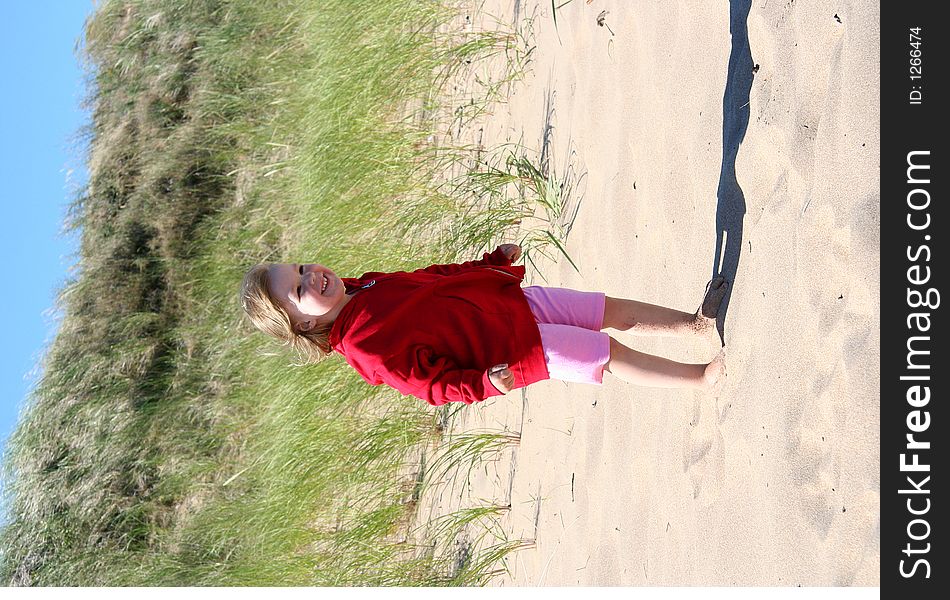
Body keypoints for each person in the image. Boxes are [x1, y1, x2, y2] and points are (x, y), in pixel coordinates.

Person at [240, 244, 727, 407]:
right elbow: (432, 386)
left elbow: (435, 278)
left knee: (609, 309)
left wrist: (491, 261)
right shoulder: (366, 350)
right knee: (606, 353)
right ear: (301, 324)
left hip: (510, 301)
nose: (313, 277)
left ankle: (693, 324)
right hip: (517, 345)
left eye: (302, 269)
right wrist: (483, 384)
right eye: (300, 290)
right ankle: (698, 378)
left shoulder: (362, 287)